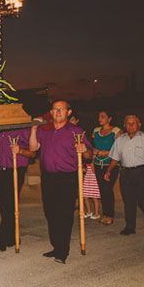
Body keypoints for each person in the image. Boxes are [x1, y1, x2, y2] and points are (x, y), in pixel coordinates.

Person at [29, 100, 92, 264]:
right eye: (55, 109)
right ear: (51, 112)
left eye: (61, 109)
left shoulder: (76, 131)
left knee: (64, 215)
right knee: (50, 214)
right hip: (48, 178)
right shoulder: (45, 131)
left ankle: (62, 251)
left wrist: (84, 150)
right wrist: (34, 128)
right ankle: (56, 246)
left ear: (68, 112)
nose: (58, 112)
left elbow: (89, 155)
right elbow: (33, 147)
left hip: (67, 178)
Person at [105, 115, 144, 236]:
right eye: (128, 123)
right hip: (126, 173)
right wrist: (108, 170)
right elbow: (115, 158)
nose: (131, 126)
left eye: (133, 123)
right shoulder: (120, 140)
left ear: (139, 124)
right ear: (124, 125)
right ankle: (130, 227)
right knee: (129, 202)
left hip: (142, 172)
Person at [0, 129, 36, 252]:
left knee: (10, 203)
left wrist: (20, 150)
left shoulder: (22, 128)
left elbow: (32, 153)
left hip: (16, 169)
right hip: (1, 169)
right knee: (3, 204)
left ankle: (1, 240)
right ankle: (12, 236)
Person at [92, 110, 122, 225]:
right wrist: (92, 162)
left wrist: (108, 152)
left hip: (111, 164)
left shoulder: (116, 131)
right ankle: (105, 213)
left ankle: (110, 214)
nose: (100, 118)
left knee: (107, 189)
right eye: (99, 116)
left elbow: (119, 150)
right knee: (102, 190)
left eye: (103, 116)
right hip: (98, 163)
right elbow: (94, 148)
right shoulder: (95, 131)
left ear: (109, 118)